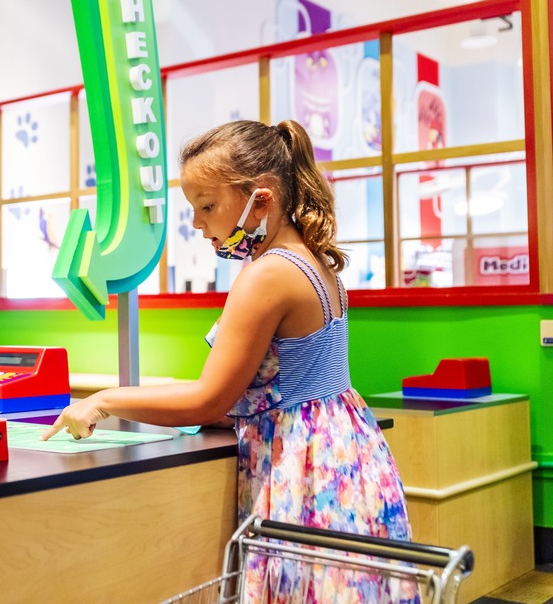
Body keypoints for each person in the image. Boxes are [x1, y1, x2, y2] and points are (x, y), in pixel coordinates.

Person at [43, 119, 413, 601]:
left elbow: (209, 399)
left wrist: (103, 400)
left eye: (208, 206)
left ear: (261, 199)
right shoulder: (314, 260)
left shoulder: (267, 275)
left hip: (301, 470)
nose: (199, 225)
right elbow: (270, 390)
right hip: (347, 458)